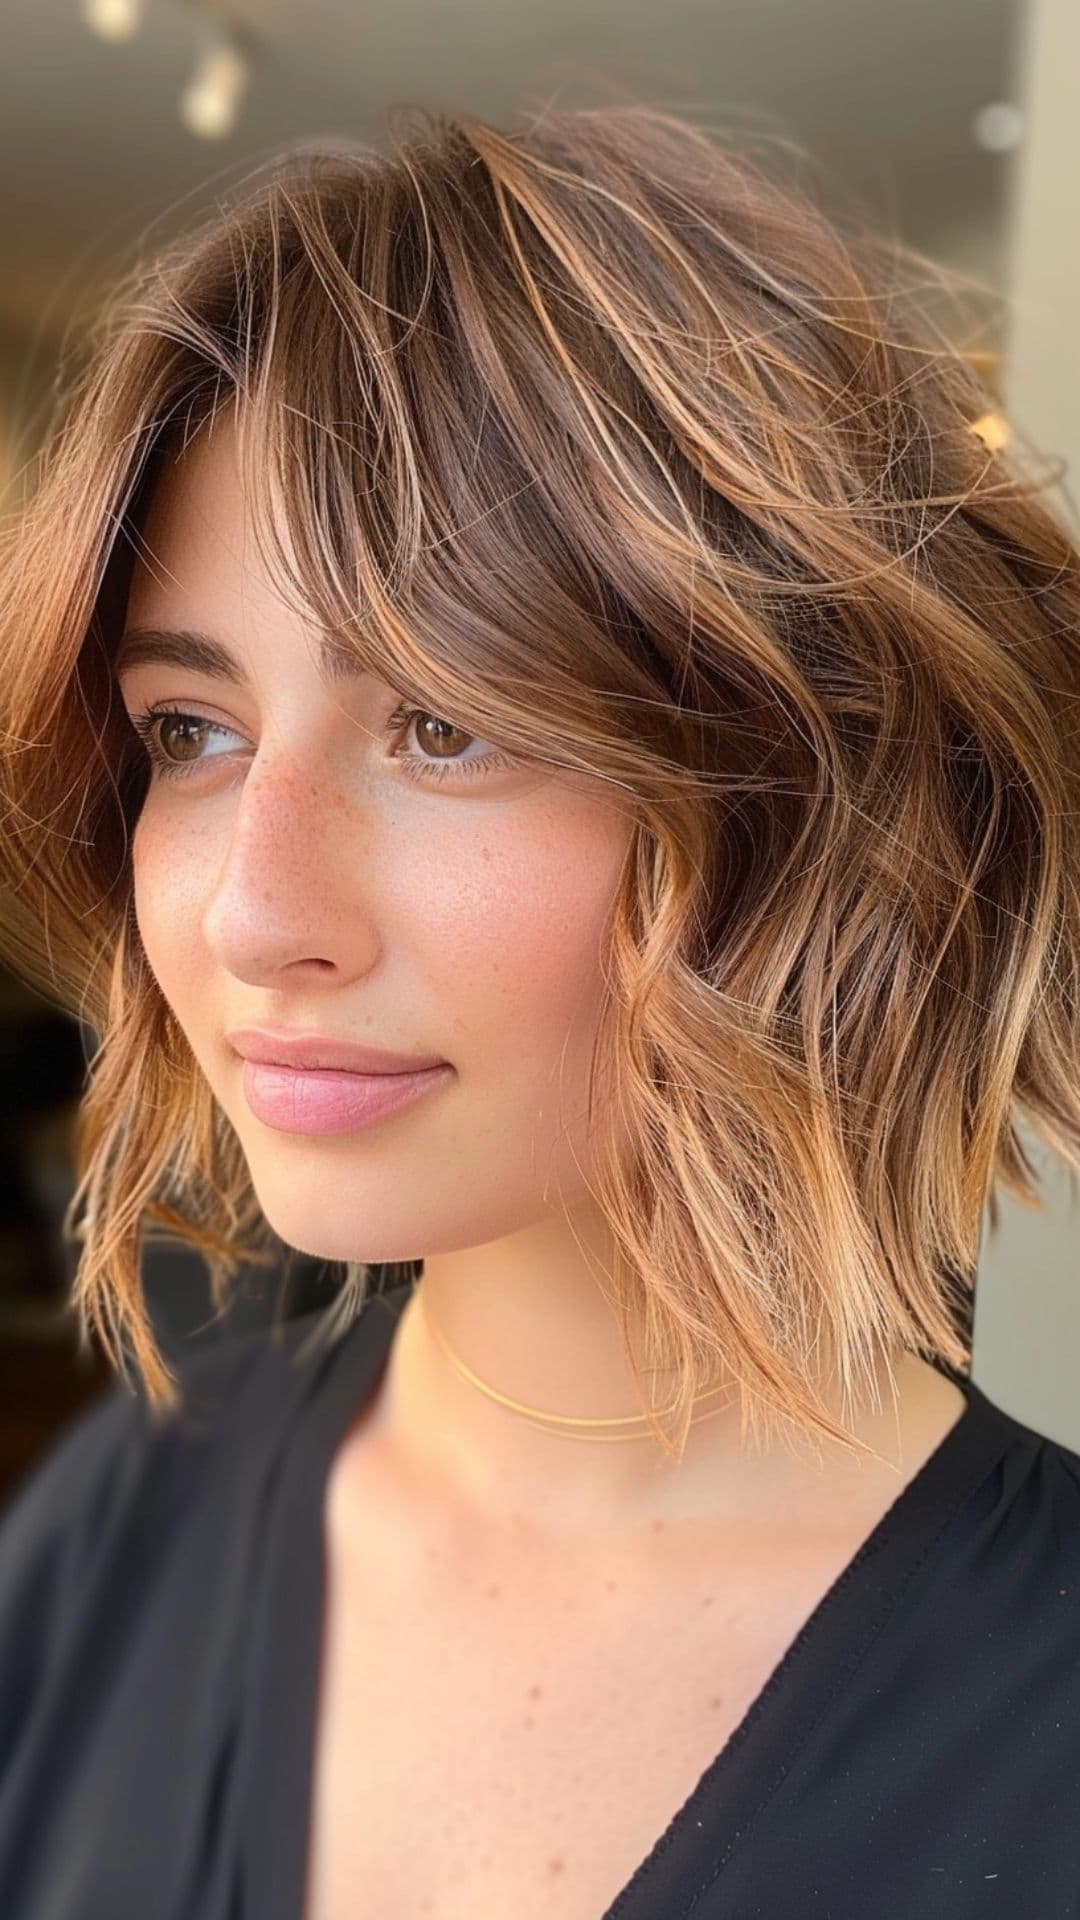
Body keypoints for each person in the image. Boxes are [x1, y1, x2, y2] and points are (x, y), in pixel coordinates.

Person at [0, 100, 1079, 1920]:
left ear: (812, 798)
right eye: (192, 732)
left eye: (446, 723)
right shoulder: (127, 1522)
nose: (258, 911)